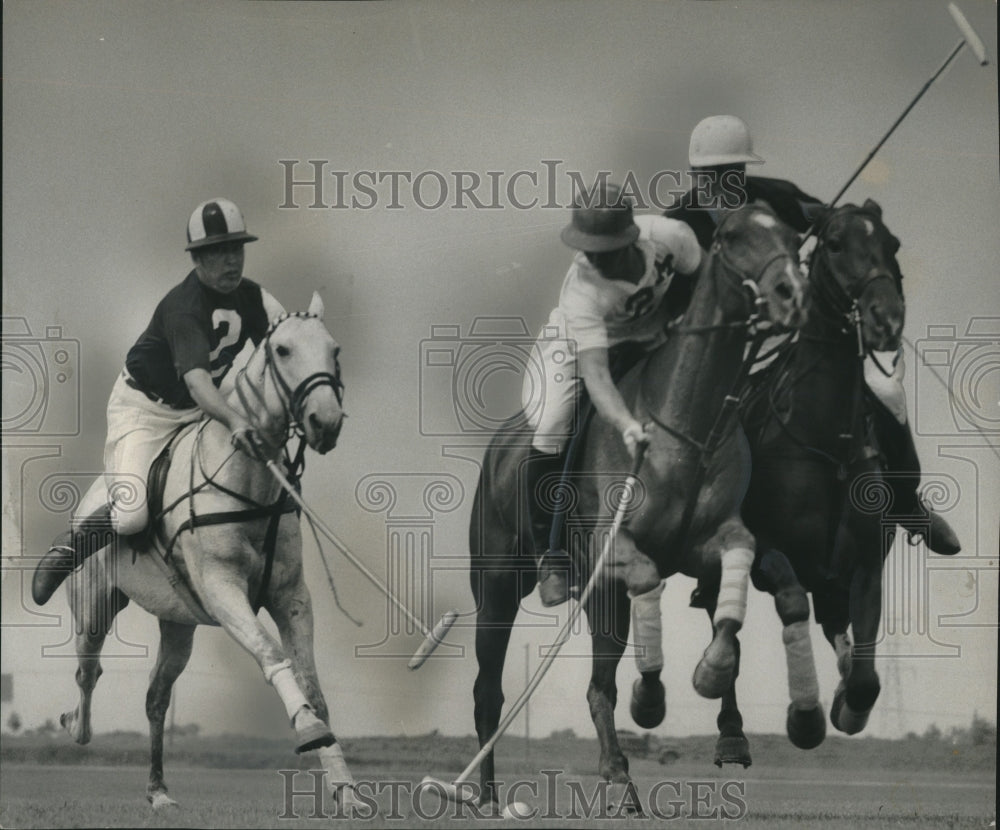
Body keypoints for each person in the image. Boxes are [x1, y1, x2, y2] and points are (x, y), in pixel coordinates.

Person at [664, 115, 959, 556]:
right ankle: (712, 524)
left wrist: (844, 227)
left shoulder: (772, 195)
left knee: (884, 389)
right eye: (716, 175)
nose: (728, 182)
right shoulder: (681, 222)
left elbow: (833, 224)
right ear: (697, 175)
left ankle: (904, 500)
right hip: (725, 351)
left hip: (796, 331)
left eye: (735, 172)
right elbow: (674, 309)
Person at [32, 198, 287, 606]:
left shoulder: (253, 298)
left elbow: (288, 340)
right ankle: (71, 548)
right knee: (133, 515)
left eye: (236, 249)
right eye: (218, 252)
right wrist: (238, 421)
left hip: (201, 405)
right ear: (198, 259)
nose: (231, 262)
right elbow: (200, 384)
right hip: (147, 410)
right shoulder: (184, 306)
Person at [522, 182, 703, 606]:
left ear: (632, 237)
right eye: (588, 248)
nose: (594, 258)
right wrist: (625, 424)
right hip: (578, 348)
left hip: (654, 334)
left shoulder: (671, 236)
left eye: (605, 249)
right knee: (551, 425)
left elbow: (705, 280)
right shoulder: (582, 288)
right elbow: (598, 375)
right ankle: (549, 557)